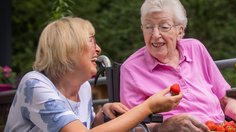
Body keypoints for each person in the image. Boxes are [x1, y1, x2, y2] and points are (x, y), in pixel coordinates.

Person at [5, 17, 182, 132]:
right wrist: (148, 106)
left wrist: (102, 116)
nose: (98, 48)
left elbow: (89, 129)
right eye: (91, 41)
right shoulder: (35, 84)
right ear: (68, 48)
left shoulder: (82, 87)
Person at [120, 0, 236, 131]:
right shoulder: (131, 69)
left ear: (179, 31)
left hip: (220, 127)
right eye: (148, 27)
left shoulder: (195, 48)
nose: (155, 35)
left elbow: (226, 98)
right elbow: (132, 127)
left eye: (164, 27)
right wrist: (164, 127)